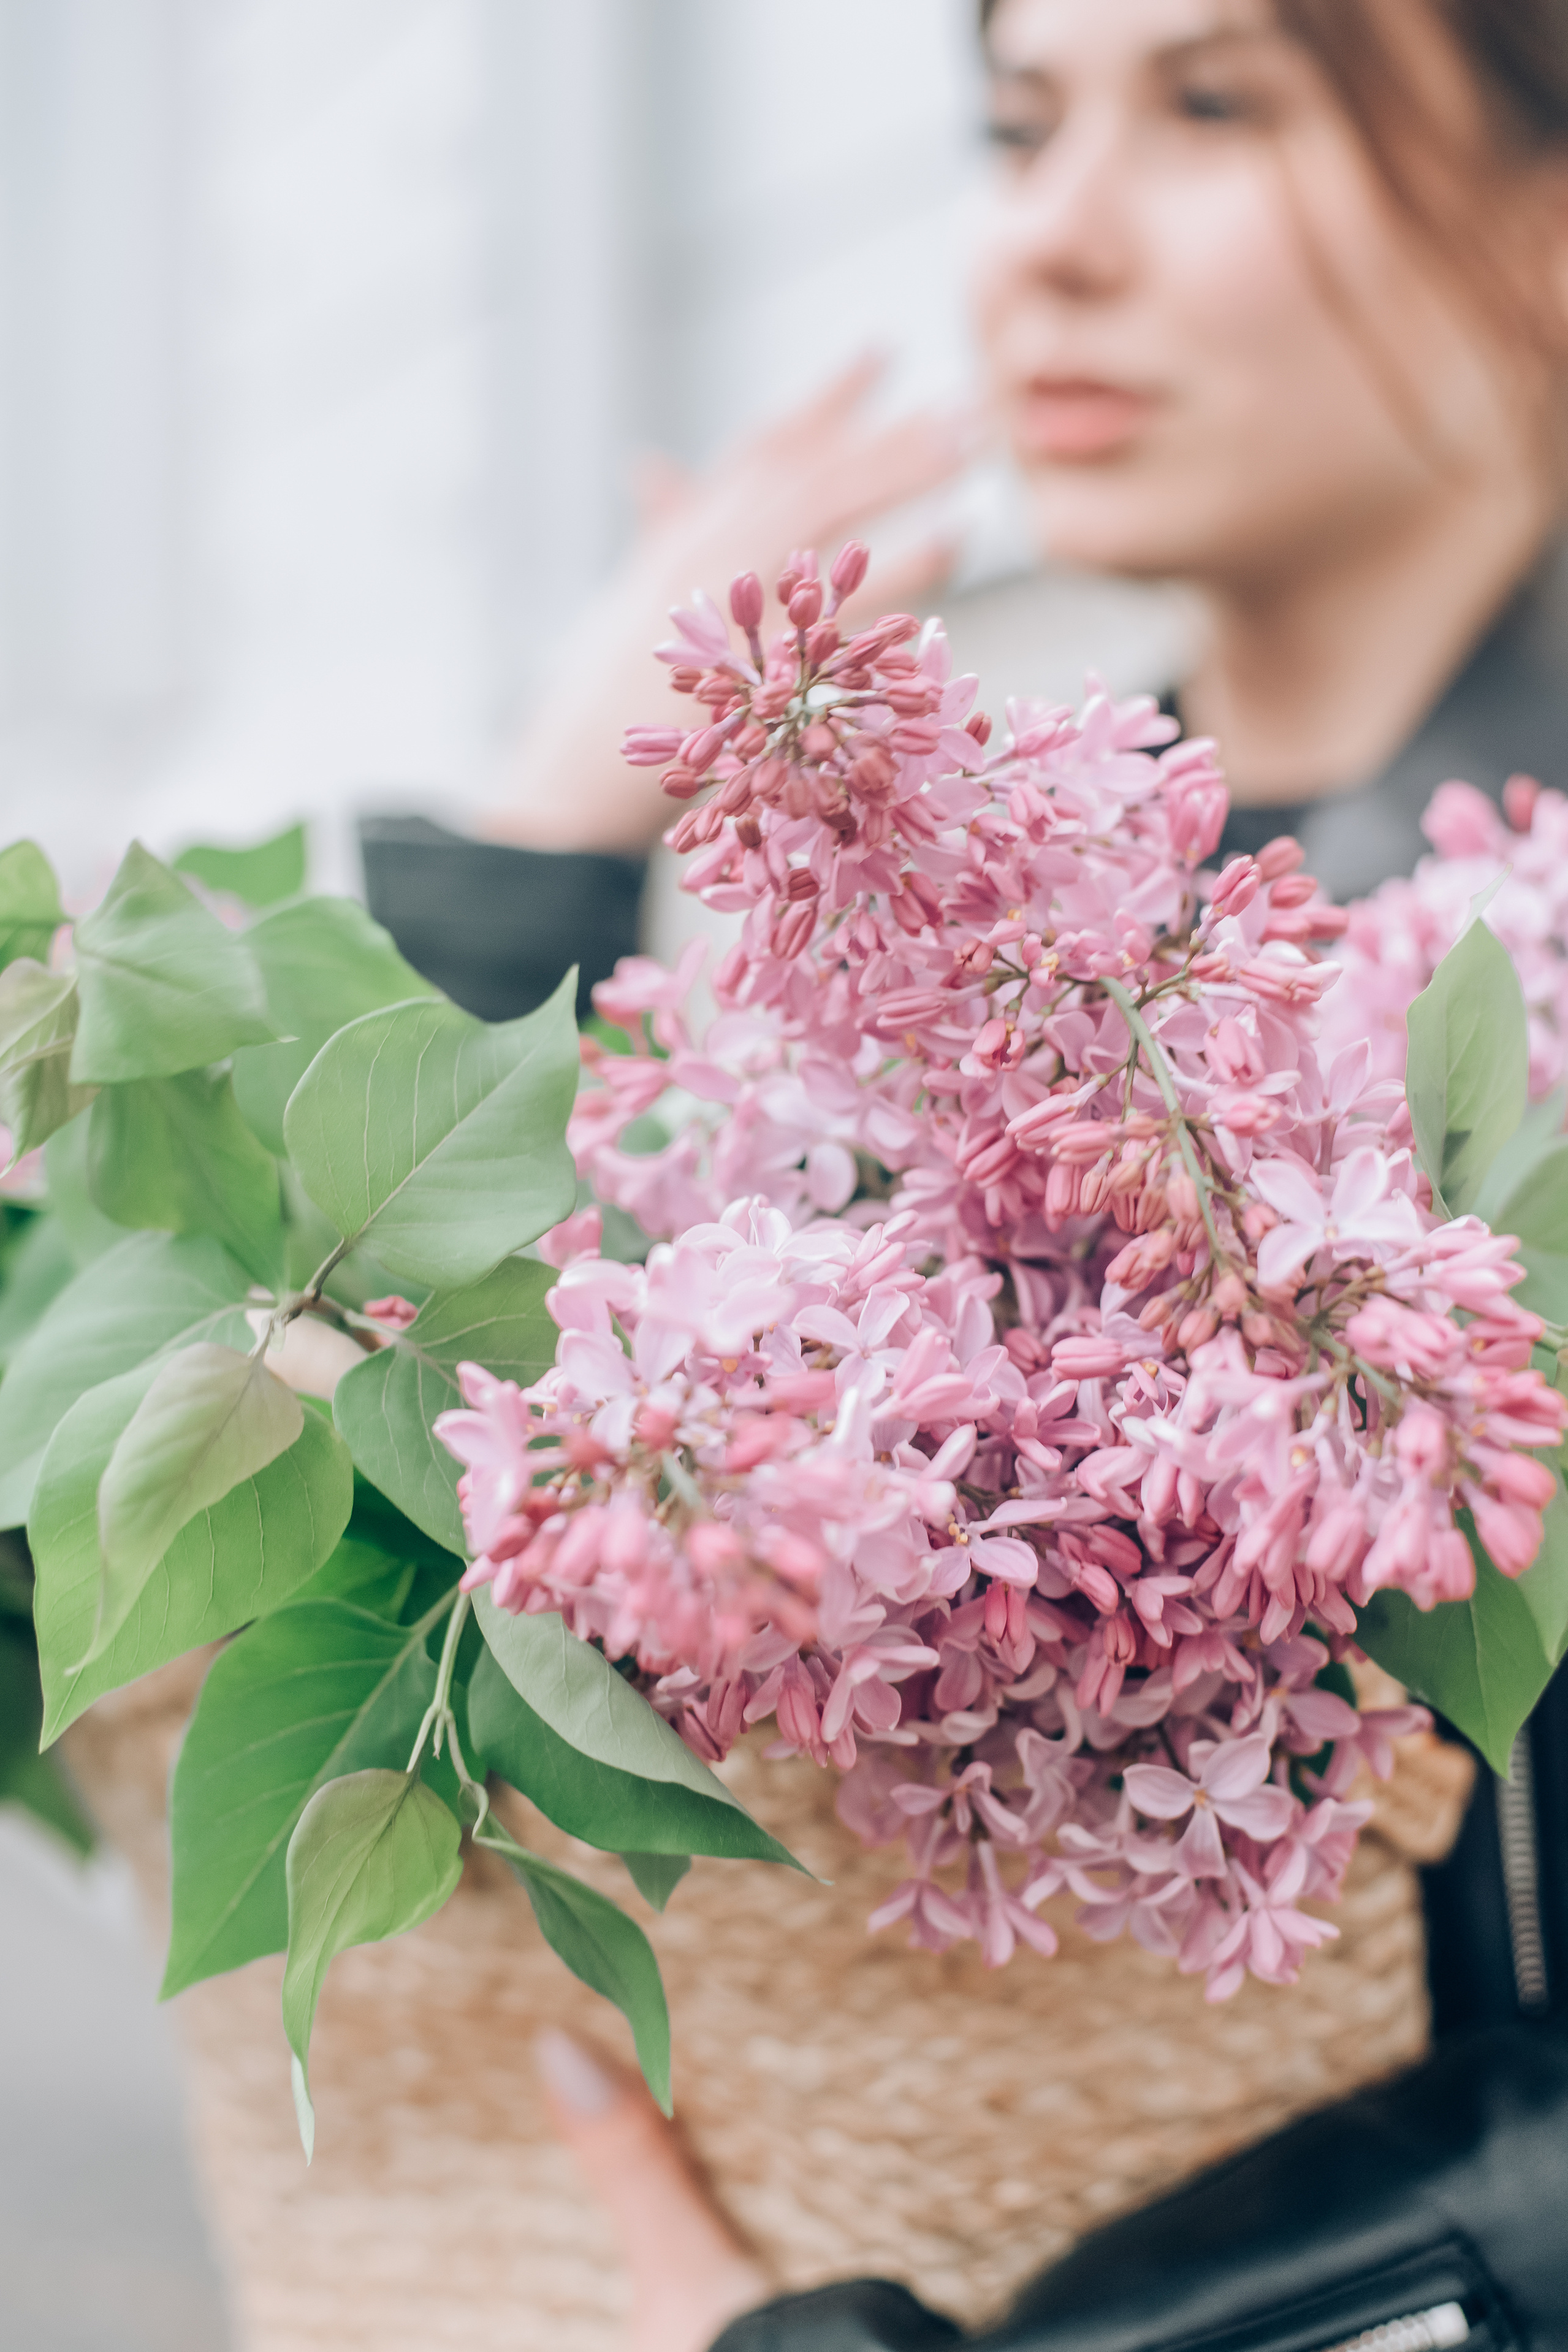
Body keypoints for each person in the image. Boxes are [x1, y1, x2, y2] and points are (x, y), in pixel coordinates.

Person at [357, 2, 1568, 2345]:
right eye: (1018, 127)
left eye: (1218, 105)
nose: (1047, 243)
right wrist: (550, 828)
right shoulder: (944, 949)